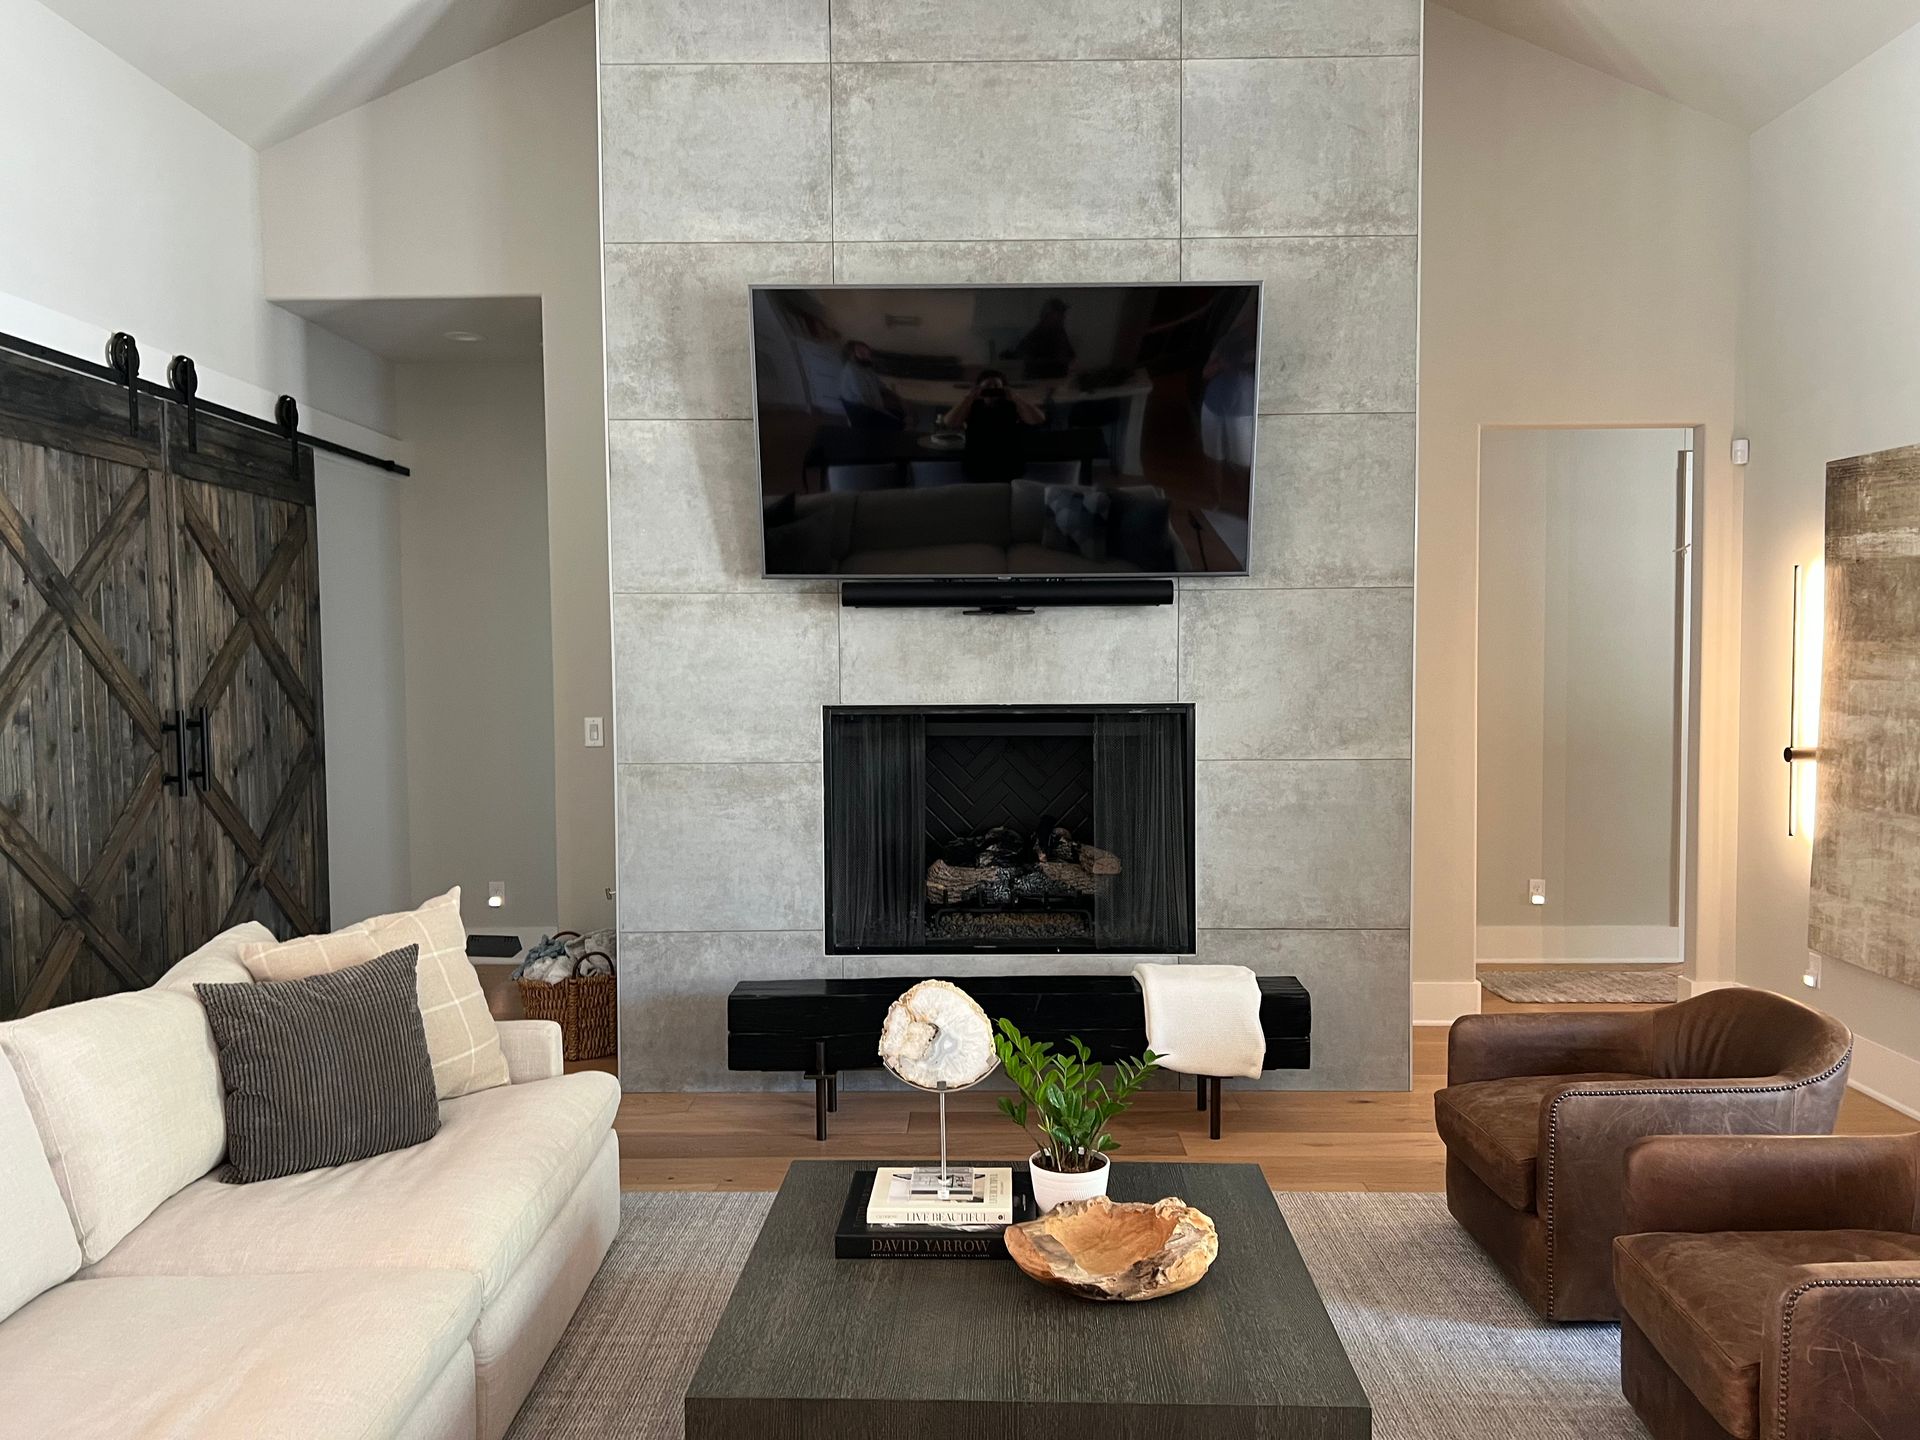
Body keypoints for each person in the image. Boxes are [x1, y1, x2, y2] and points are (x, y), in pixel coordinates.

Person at [941, 369, 1046, 481]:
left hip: (1010, 466)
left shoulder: (1012, 405)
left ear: (1003, 388)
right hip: (976, 465)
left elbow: (1037, 419)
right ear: (979, 389)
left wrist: (1015, 397)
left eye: (996, 386)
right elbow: (950, 422)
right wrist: (969, 397)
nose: (992, 389)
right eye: (987, 386)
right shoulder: (972, 406)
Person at [838, 340, 908, 430]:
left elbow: (881, 386)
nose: (867, 353)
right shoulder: (852, 371)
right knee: (904, 420)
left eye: (866, 349)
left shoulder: (864, 367)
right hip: (867, 417)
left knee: (903, 412)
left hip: (874, 410)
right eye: (861, 351)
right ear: (851, 356)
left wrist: (899, 399)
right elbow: (868, 403)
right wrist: (896, 415)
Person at [1006, 296, 1076, 376]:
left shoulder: (1060, 332)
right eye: (1059, 313)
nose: (1063, 317)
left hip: (1059, 380)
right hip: (1040, 380)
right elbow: (1024, 357)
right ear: (1047, 315)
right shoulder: (1035, 335)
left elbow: (1071, 355)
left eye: (1062, 313)